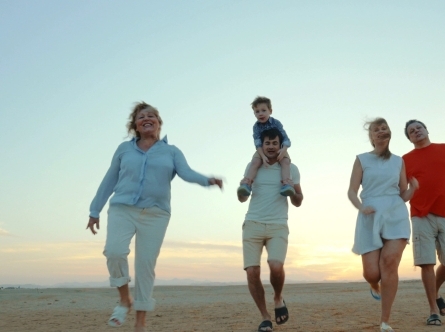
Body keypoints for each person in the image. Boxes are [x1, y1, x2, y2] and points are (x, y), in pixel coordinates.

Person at [86, 102, 223, 332]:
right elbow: (109, 179)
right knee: (114, 251)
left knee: (145, 265)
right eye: (142, 117)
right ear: (136, 125)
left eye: (152, 116)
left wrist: (207, 180)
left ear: (159, 123)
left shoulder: (171, 151)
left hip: (156, 214)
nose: (147, 118)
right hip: (123, 209)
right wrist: (94, 210)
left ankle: (140, 323)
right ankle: (124, 299)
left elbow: (186, 172)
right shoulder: (124, 149)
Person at [347, 118, 419, 332]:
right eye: (376, 129)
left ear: (389, 133)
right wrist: (360, 207)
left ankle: (385, 321)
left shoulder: (399, 161)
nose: (381, 131)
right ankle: (373, 285)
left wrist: (413, 190)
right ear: (371, 137)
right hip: (370, 215)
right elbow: (351, 191)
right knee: (372, 273)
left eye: (384, 128)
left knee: (389, 264)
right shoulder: (362, 159)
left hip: (396, 214)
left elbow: (403, 194)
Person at [237, 128, 303, 332]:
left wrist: (292, 191)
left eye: (275, 143)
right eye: (268, 143)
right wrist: (241, 189)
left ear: (281, 145)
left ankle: (277, 298)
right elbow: (242, 198)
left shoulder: (291, 168)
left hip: (278, 224)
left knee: (275, 266)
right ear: (262, 146)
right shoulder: (253, 166)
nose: (272, 147)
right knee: (252, 272)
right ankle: (265, 317)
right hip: (253, 224)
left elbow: (299, 201)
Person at [402, 119, 445, 326]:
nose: (416, 131)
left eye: (418, 128)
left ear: (426, 129)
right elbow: (401, 192)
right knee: (426, 262)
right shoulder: (404, 160)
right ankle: (433, 311)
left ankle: (435, 291)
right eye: (411, 131)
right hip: (420, 215)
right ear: (409, 138)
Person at [237, 96, 295, 198]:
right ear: (254, 113)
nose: (260, 113)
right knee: (255, 162)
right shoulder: (256, 127)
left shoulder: (276, 123)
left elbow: (286, 139)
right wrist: (262, 156)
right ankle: (247, 183)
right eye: (257, 111)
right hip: (261, 149)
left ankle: (286, 184)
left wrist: (284, 150)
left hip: (280, 147)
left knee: (285, 162)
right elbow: (258, 143)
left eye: (263, 110)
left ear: (270, 111)